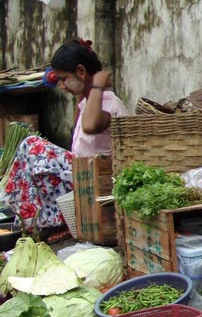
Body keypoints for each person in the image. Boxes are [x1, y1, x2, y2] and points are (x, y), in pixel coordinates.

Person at [4, 39, 128, 236]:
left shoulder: (107, 102)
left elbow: (90, 126)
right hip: (83, 176)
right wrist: (84, 91)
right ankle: (39, 220)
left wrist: (95, 86)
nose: (61, 86)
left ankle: (50, 221)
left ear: (81, 71)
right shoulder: (87, 102)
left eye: (63, 78)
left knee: (33, 145)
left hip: (100, 178)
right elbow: (76, 139)